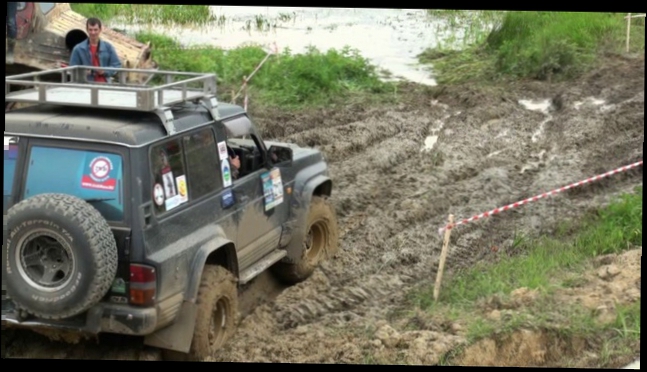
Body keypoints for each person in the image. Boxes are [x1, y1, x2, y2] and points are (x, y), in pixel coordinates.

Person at [69, 17, 121, 83]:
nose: (93, 33)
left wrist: (105, 71)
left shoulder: (108, 47)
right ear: (87, 30)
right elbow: (72, 69)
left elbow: (117, 65)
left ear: (100, 30)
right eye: (90, 30)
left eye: (95, 30)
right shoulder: (78, 49)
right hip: (86, 85)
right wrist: (83, 72)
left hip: (105, 85)